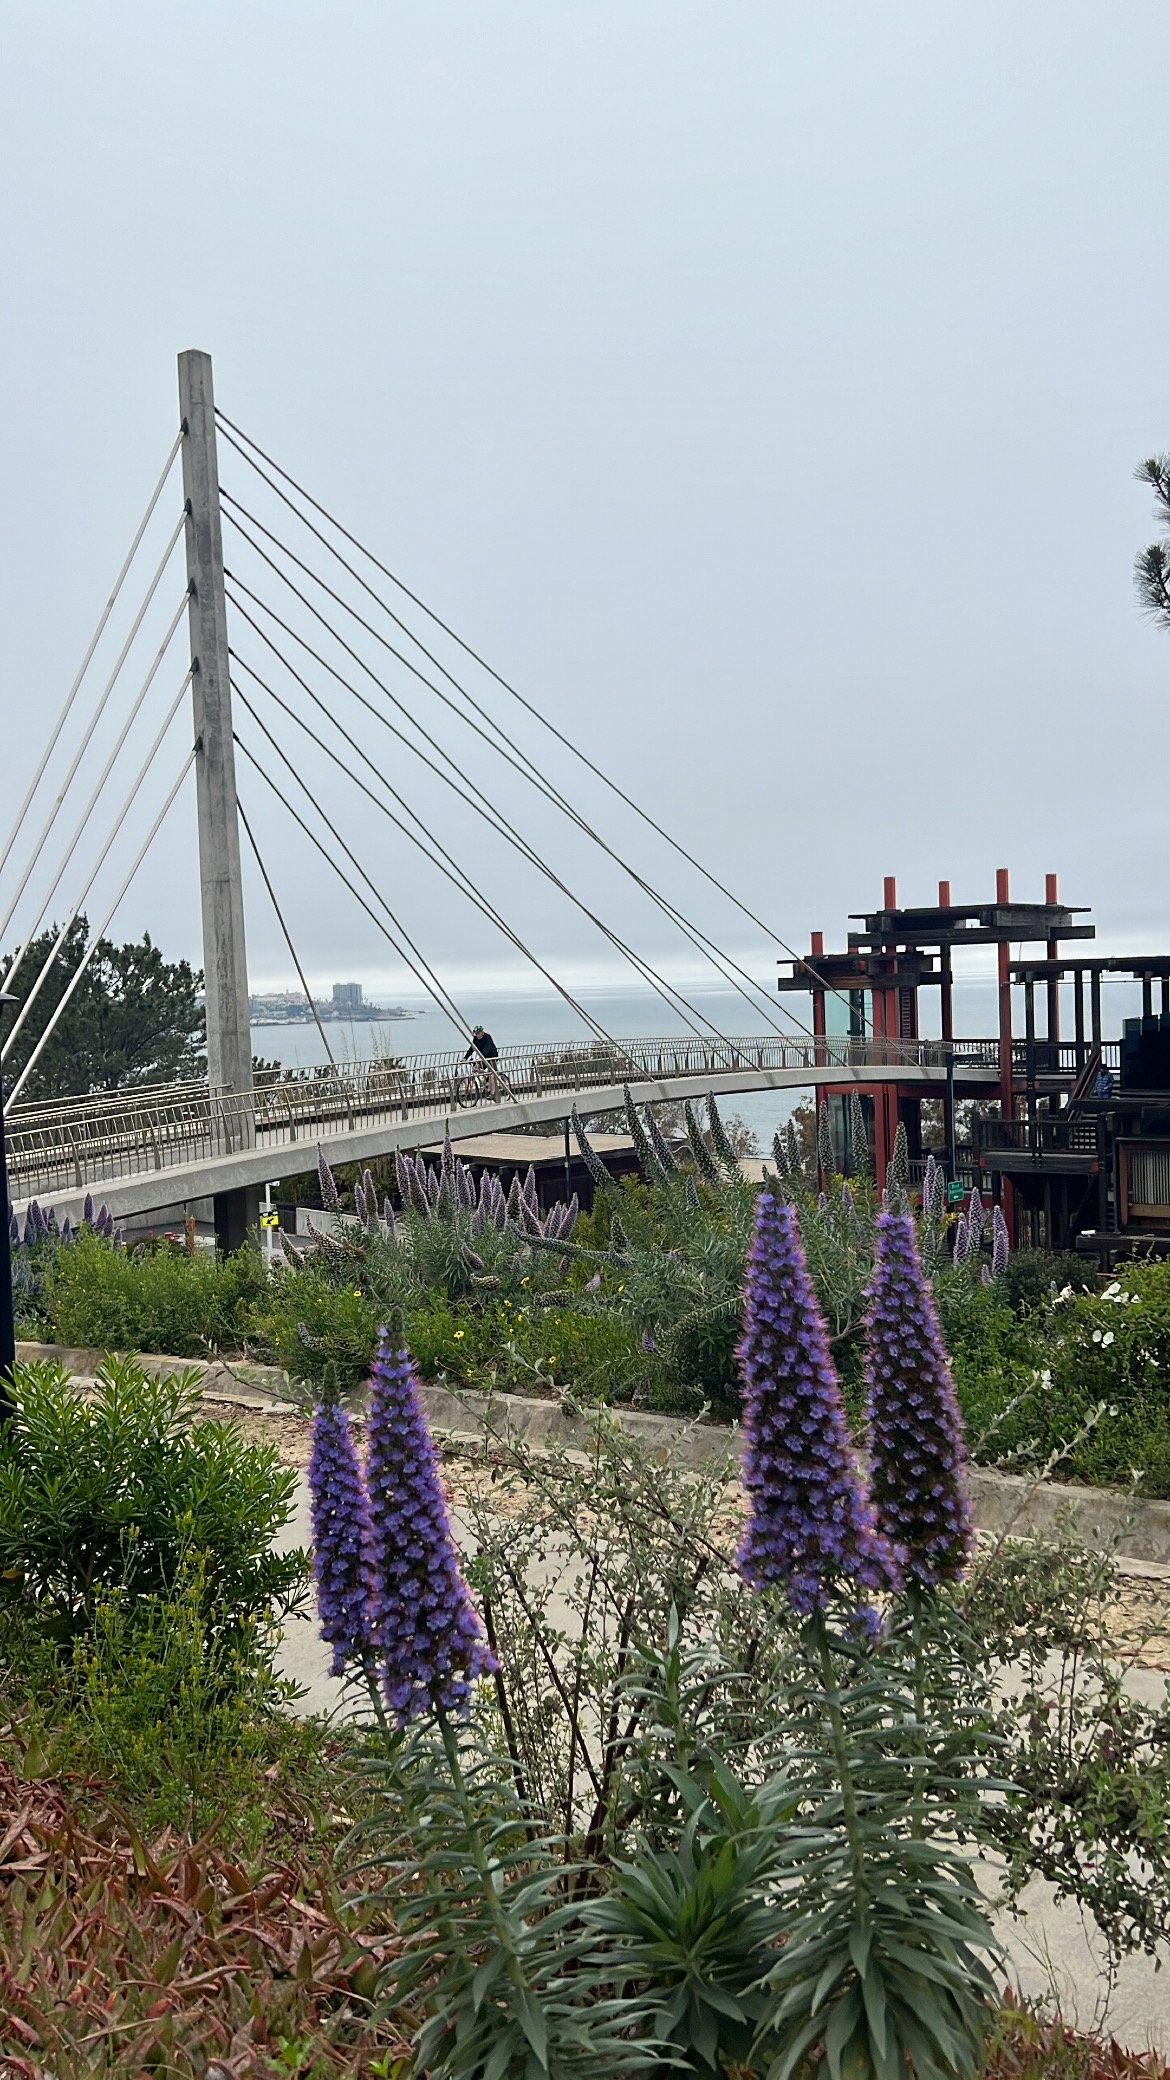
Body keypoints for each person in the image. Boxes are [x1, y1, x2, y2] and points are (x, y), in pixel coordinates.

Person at [465, 1023, 500, 1097]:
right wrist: (465, 1057)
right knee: (476, 1068)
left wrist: (480, 1058)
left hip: (492, 1057)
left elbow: (486, 1049)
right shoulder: (475, 1039)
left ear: (482, 1032)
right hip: (483, 1057)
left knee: (491, 1074)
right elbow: (472, 1048)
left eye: (478, 1033)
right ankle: (486, 1079)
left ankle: (492, 1093)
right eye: (476, 1033)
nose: (477, 1035)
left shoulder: (487, 1037)